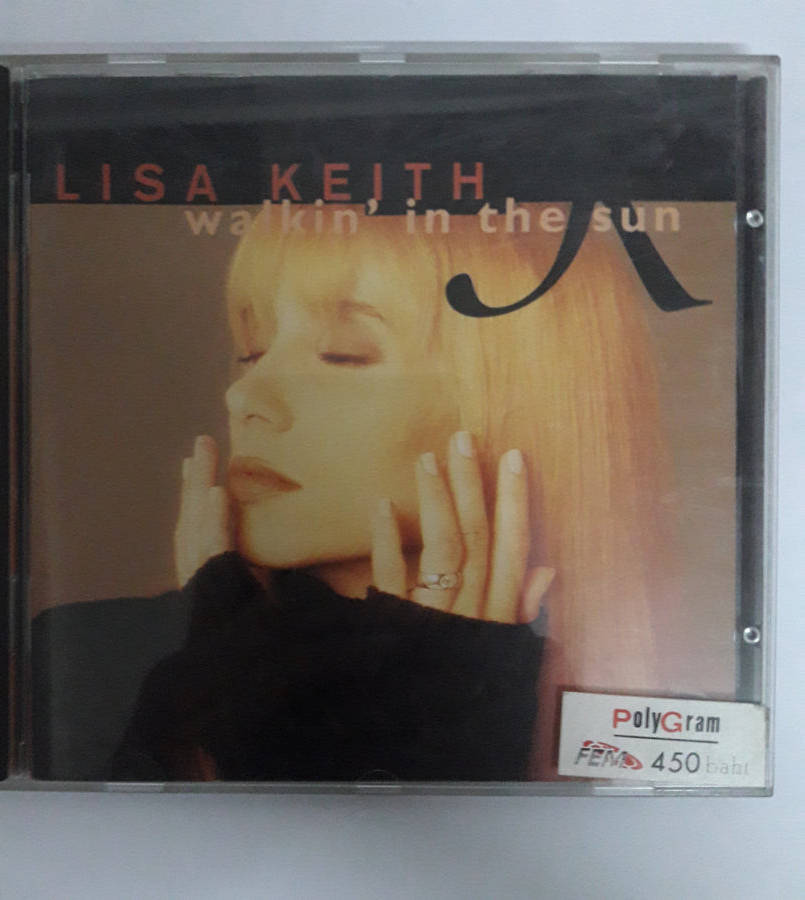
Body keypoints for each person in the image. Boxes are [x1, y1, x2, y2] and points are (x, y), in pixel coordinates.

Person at [108, 205, 680, 782]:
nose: (244, 397)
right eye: (252, 352)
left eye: (343, 354)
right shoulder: (96, 663)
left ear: (519, 410)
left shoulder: (634, 728)